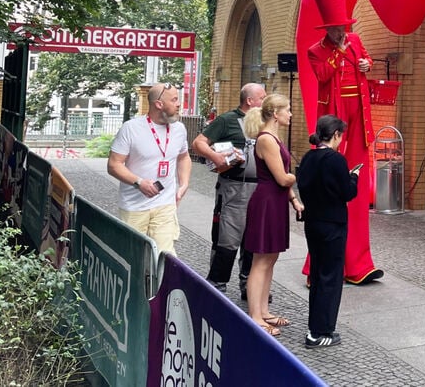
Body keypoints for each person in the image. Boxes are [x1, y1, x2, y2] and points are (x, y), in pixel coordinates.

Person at [302, 0, 383, 285]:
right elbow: (323, 74)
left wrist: (365, 63)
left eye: (344, 27)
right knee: (329, 191)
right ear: (328, 29)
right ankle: (317, 267)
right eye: (337, 29)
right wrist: (339, 51)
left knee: (358, 191)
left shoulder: (356, 40)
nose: (343, 33)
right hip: (335, 120)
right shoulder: (315, 51)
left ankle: (359, 263)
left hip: (358, 120)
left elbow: (366, 63)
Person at [191, 83, 266, 300]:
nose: (265, 100)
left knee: (253, 238)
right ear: (249, 101)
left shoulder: (264, 122)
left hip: (259, 188)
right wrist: (216, 157)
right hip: (234, 187)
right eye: (262, 97)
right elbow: (199, 143)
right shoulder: (227, 120)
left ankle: (249, 285)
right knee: (227, 237)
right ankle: (217, 283)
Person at [241, 93, 304, 336]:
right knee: (261, 260)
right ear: (275, 114)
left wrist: (293, 199)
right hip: (267, 201)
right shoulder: (267, 139)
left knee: (270, 259)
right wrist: (301, 175)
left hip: (274, 200)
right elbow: (283, 177)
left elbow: (283, 179)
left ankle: (264, 311)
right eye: (287, 109)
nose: (290, 113)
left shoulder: (273, 137)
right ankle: (255, 316)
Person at [107, 82, 191, 255]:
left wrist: (183, 184)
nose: (178, 104)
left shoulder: (179, 129)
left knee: (164, 256)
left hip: (165, 205)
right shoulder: (131, 129)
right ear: (159, 104)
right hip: (134, 207)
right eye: (174, 100)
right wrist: (138, 182)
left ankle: (162, 283)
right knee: (132, 257)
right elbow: (114, 165)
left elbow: (184, 156)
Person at [297, 115, 359, 348]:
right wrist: (354, 177)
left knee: (318, 273)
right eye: (340, 135)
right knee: (331, 278)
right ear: (335, 135)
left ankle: (316, 326)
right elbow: (347, 193)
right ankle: (321, 331)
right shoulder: (336, 160)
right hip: (333, 223)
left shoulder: (308, 157)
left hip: (313, 221)